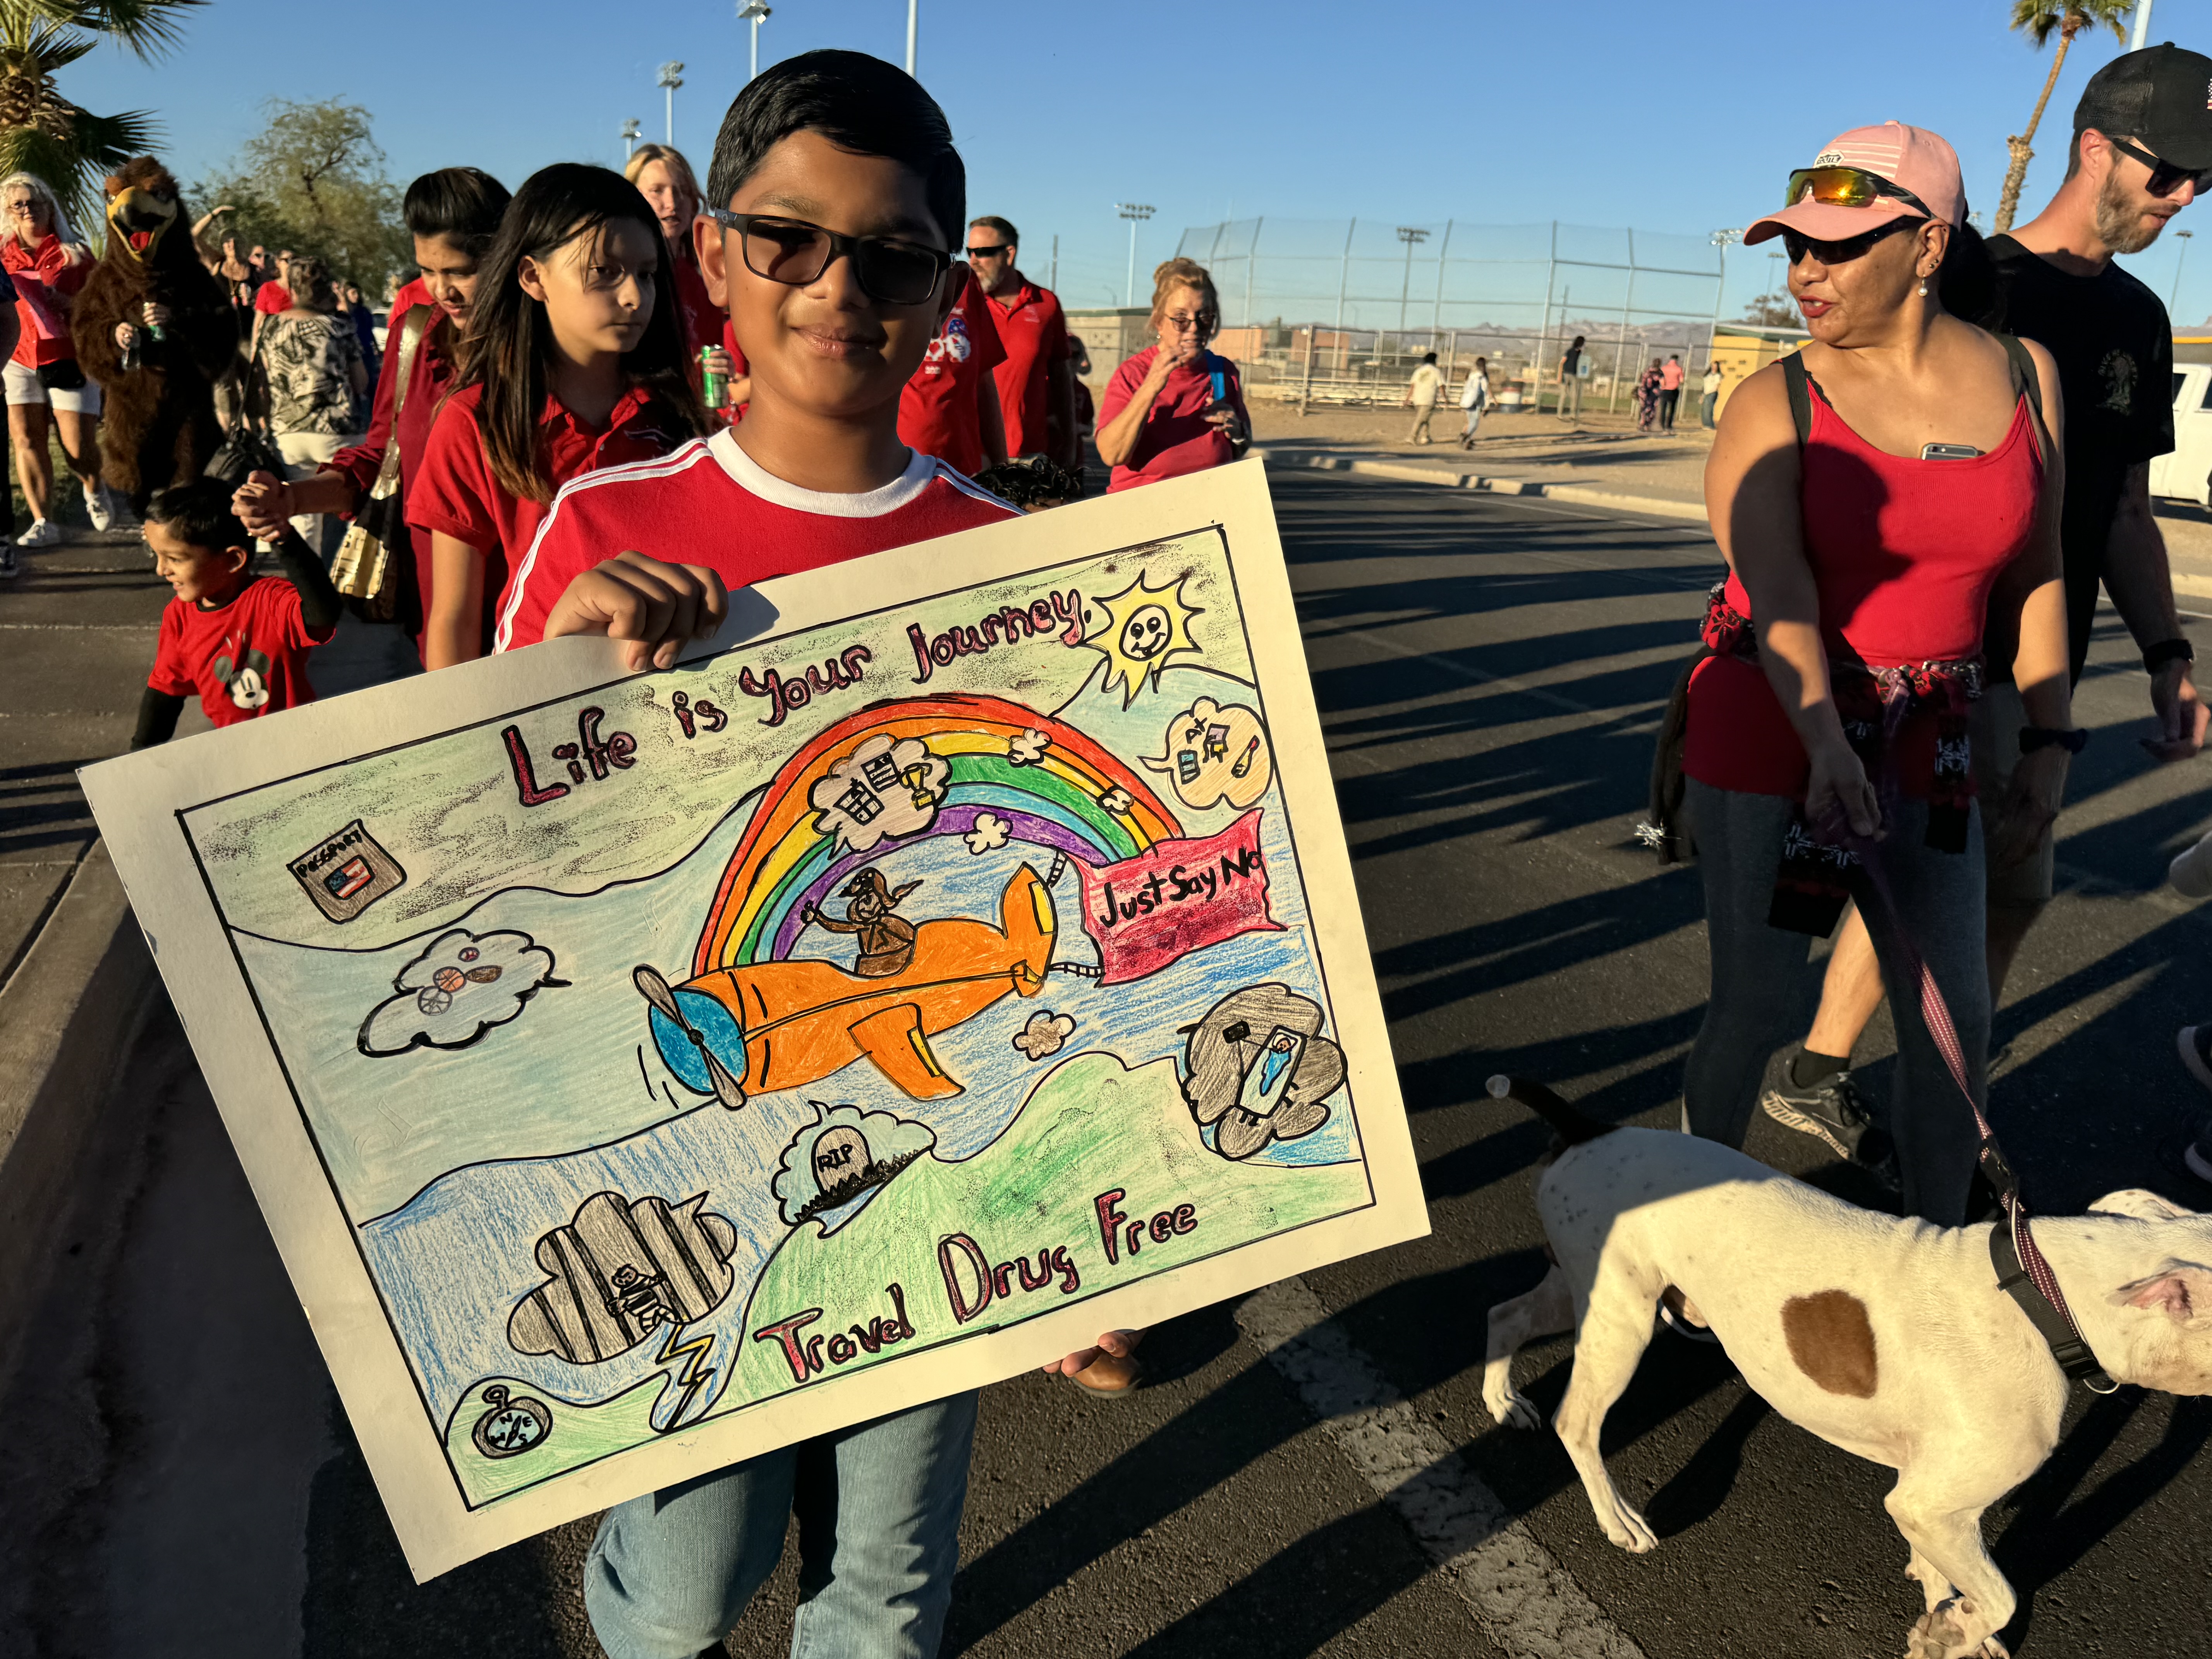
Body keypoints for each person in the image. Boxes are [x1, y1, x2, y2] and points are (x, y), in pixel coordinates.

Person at [482, 48, 1139, 1659]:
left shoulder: (1012, 564)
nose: (839, 287)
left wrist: (1135, 1205)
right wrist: (560, 673)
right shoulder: (599, 533)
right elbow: (492, 877)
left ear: (945, 290)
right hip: (692, 1196)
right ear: (713, 256)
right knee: (690, 1577)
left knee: (889, 1581)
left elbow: (1109, 924)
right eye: (788, 239)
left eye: (895, 253)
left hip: (931, 1200)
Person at [1760, 54, 2212, 1164]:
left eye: (2204, 186)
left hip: (2037, 669)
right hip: (1935, 663)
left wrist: (2166, 655)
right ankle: (1889, 1092)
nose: (2185, 202)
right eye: (2171, 176)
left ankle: (1908, 1072)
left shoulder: (2142, 320)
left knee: (2012, 883)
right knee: (1937, 881)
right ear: (2096, 147)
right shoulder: (1974, 281)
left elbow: (2118, 508)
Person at [1688, 120, 2069, 1227]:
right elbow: (1783, 598)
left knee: (1953, 1021)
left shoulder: (2023, 374)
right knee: (1755, 1001)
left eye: (1840, 246)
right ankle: (1689, 1224)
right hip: (1777, 727)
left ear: (1929, 244)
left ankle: (1941, 1254)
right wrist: (1825, 747)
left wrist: (2047, 741)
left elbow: (2038, 572)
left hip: (1934, 742)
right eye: (1796, 246)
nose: (1807, 270)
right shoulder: (1775, 401)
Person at [405, 164, 704, 670]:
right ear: (532, 276)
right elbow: (453, 619)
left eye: (648, 274)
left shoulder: (674, 416)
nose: (634, 296)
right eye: (604, 272)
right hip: (537, 702)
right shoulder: (472, 423)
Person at [233, 167, 511, 661]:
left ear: (507, 254)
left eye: (460, 271)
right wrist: (292, 498)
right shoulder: (416, 336)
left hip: (536, 609)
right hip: (435, 611)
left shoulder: (556, 347)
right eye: (428, 271)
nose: (442, 290)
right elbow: (381, 455)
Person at [131, 477, 340, 748]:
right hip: (235, 751)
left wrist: (285, 540)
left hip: (301, 745)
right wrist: (140, 756)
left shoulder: (270, 600)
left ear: (233, 560)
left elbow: (323, 613)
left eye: (175, 559)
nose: (162, 570)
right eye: (157, 556)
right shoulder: (179, 615)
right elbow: (166, 690)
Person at [1, 171, 112, 546]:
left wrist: (72, 304)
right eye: (18, 204)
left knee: (78, 448)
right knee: (26, 439)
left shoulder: (75, 254)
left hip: (69, 354)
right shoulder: (1, 256)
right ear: (9, 212)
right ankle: (43, 521)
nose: (28, 209)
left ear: (50, 208)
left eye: (35, 202)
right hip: (17, 355)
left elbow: (104, 306)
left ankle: (94, 487)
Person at [1095, 258, 1249, 492]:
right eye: (1180, 319)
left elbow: (1242, 444)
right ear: (1159, 322)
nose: (1194, 328)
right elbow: (1112, 454)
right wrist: (1151, 388)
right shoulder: (1134, 374)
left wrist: (1237, 432)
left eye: (1205, 317)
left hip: (1207, 509)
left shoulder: (1223, 372)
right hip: (1142, 514)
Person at [256, 253, 367, 558]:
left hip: (288, 432)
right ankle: (354, 579)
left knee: (304, 516)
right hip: (336, 431)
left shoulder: (271, 327)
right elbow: (360, 383)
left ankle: (310, 593)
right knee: (361, 503)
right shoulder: (338, 326)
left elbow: (266, 381)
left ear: (291, 289)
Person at [624, 141, 740, 419]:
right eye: (657, 191)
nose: (672, 203)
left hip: (691, 423)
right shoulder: (619, 281)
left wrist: (723, 371)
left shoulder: (704, 282)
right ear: (632, 197)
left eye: (682, 191)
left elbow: (712, 356)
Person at [966, 214, 1077, 466]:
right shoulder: (961, 305)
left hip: (1029, 456)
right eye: (969, 252)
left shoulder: (1046, 304)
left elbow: (1063, 381)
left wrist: (1070, 444)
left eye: (982, 252)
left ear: (1009, 254)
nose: (973, 261)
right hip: (973, 455)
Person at [897, 258, 1006, 476]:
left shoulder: (965, 285)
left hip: (963, 469)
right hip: (896, 469)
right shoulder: (884, 274)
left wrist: (1002, 467)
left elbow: (985, 385)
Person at [1403, 349, 1444, 443]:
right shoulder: (1436, 371)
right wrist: (1445, 398)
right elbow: (1441, 386)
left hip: (1418, 398)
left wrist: (1408, 399)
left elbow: (1413, 386)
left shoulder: (1419, 371)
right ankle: (1412, 437)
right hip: (1429, 398)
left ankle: (1426, 437)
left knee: (1424, 417)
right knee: (1421, 419)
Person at [1458, 355, 1489, 448]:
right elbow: (1484, 391)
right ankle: (1465, 437)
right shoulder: (1481, 377)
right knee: (1474, 424)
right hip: (1476, 402)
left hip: (1467, 401)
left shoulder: (1471, 375)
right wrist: (1486, 406)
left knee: (1470, 422)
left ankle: (1467, 441)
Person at [1557, 333, 1585, 421]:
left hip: (1575, 375)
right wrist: (1559, 376)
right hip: (1566, 374)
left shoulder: (1580, 353)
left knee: (1574, 396)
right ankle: (1560, 414)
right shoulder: (1570, 351)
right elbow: (1562, 363)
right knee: (1564, 395)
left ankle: (1573, 414)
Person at [1633, 358, 1662, 431]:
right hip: (1648, 392)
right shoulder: (1652, 372)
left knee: (1649, 408)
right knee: (1648, 408)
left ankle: (1645, 424)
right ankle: (1644, 424)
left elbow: (1662, 384)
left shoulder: (1657, 373)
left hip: (1651, 392)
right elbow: (1643, 382)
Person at [1659, 353, 1685, 429]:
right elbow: (1682, 380)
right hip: (1674, 390)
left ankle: (1662, 424)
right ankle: (1669, 425)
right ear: (1677, 360)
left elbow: (1661, 379)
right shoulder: (1679, 369)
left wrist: (1664, 385)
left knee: (1663, 408)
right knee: (1672, 408)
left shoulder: (1664, 368)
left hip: (1665, 390)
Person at [1700, 359, 1724, 429]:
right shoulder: (1708, 375)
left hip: (1712, 393)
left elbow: (1717, 385)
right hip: (1706, 393)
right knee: (1704, 409)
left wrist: (1711, 392)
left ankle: (1709, 425)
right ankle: (1705, 424)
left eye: (1716, 366)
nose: (1714, 367)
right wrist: (1703, 394)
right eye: (1713, 366)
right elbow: (1704, 385)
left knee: (1709, 409)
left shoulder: (1718, 376)